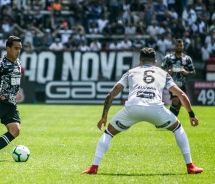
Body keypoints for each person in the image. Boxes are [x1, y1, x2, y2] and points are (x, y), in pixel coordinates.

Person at [82, 47, 203, 175]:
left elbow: (111, 94)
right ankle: (190, 166)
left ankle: (94, 167)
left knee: (108, 133)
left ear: (140, 60)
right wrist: (191, 115)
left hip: (133, 107)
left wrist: (104, 116)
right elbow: (181, 95)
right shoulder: (163, 73)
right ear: (155, 61)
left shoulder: (131, 72)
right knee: (178, 128)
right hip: (156, 108)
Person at [161, 39, 196, 117]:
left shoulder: (187, 59)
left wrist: (185, 72)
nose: (179, 47)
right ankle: (169, 120)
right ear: (174, 46)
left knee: (180, 102)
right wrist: (168, 71)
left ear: (183, 46)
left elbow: (193, 72)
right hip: (171, 84)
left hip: (182, 84)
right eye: (177, 45)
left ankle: (172, 120)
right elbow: (161, 70)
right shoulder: (168, 57)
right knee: (176, 100)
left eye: (181, 45)